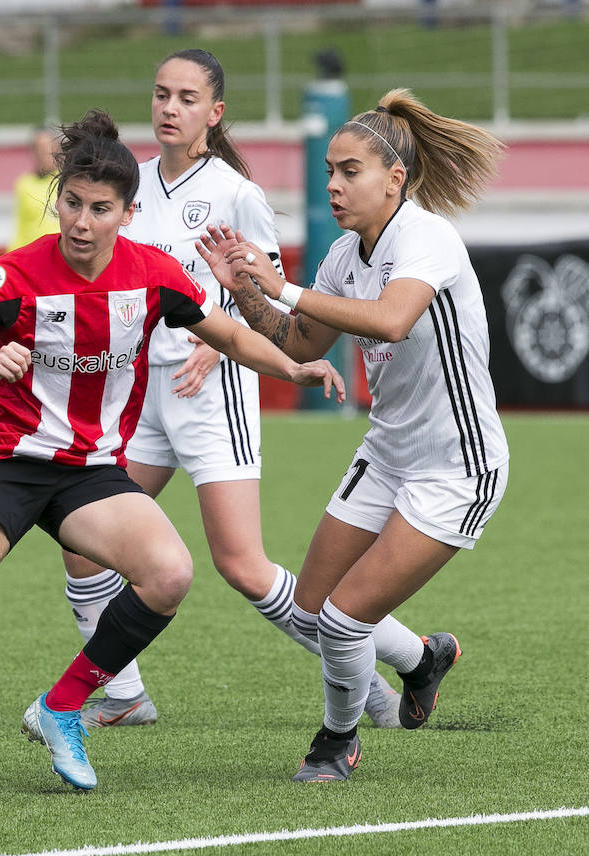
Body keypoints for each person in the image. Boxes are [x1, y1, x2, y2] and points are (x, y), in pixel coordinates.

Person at [0, 109, 343, 800]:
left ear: (128, 213)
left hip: (86, 472)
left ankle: (64, 705)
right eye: (71, 202)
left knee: (168, 573)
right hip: (0, 462)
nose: (80, 221)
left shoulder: (154, 274)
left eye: (100, 209)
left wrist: (294, 366)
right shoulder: (12, 276)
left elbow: (228, 335)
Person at [60, 49, 400, 730]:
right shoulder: (132, 185)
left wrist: (218, 355)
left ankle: (395, 665)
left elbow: (269, 308)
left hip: (212, 397)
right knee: (83, 539)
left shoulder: (236, 194)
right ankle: (125, 695)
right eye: (160, 94)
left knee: (242, 566)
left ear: (214, 115)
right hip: (139, 400)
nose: (168, 108)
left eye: (187, 98)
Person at [196, 88, 508, 782]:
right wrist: (244, 289)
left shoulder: (425, 236)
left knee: (341, 623)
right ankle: (423, 657)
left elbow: (392, 320)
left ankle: (337, 743)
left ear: (395, 178)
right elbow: (300, 339)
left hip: (458, 469)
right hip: (388, 453)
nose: (333, 185)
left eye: (349, 172)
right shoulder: (344, 254)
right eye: (330, 171)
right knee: (310, 611)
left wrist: (282, 286)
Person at [8, 125, 61, 250]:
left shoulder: (67, 182)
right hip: (32, 255)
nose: (43, 154)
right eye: (39, 149)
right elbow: (21, 225)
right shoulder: (23, 184)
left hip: (59, 256)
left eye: (47, 149)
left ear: (56, 149)